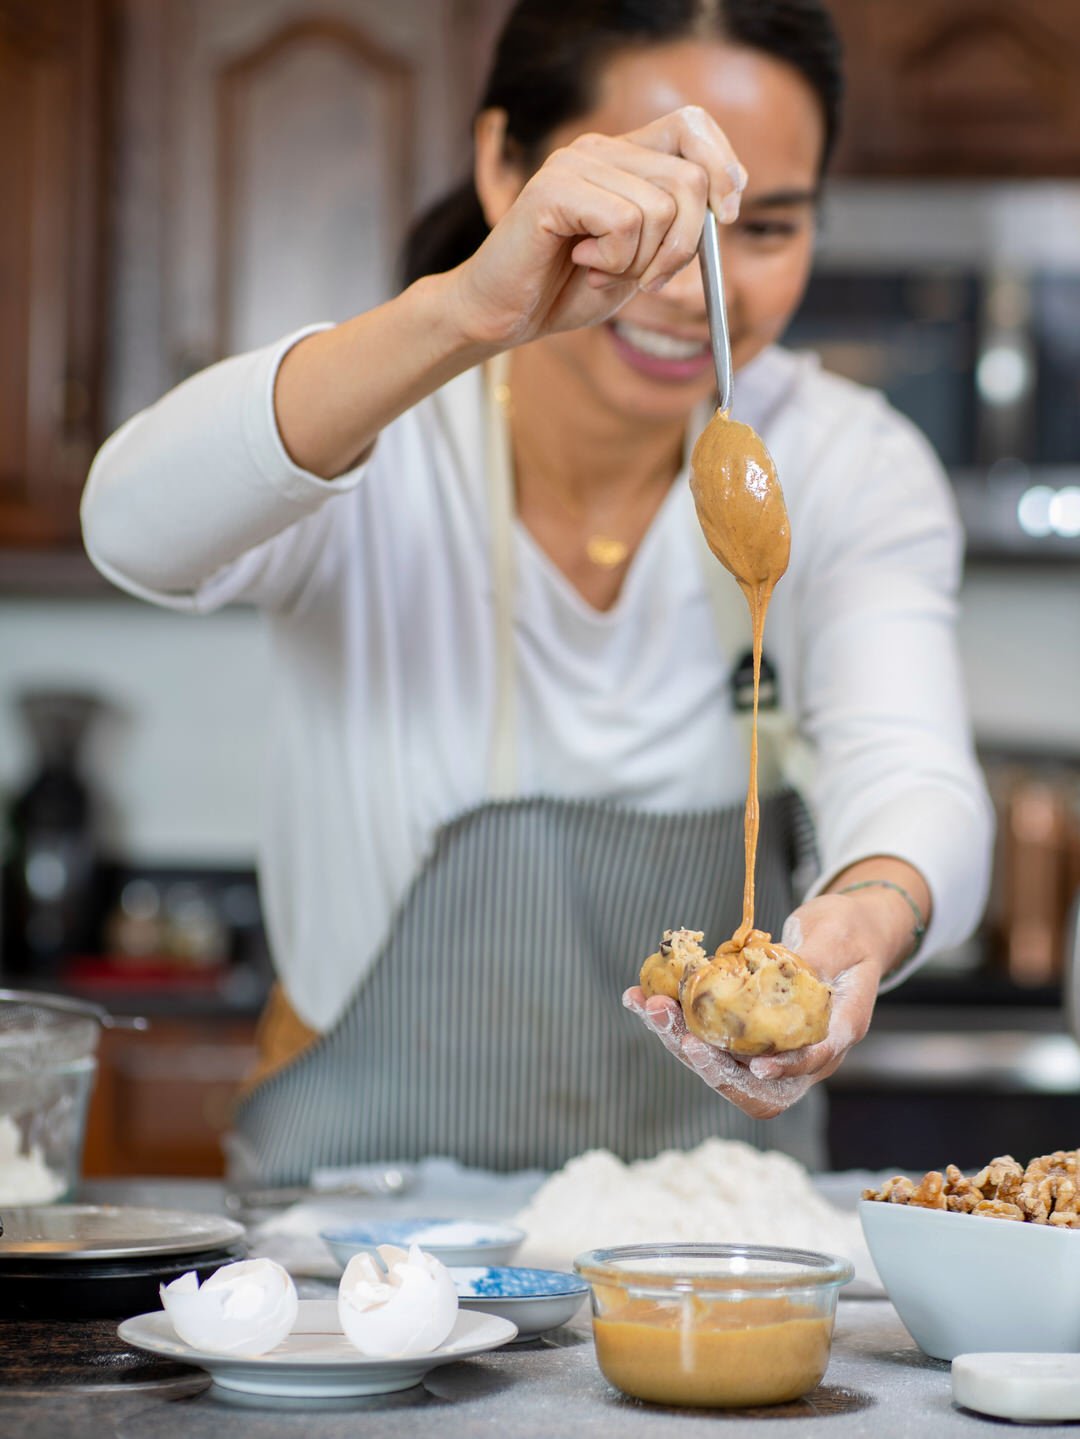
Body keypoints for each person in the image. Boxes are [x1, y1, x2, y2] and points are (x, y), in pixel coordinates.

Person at [81, 0, 993, 1183]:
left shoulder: (844, 462)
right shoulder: (387, 430)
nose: (696, 288)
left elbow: (919, 782)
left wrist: (857, 924)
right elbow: (132, 528)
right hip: (365, 1250)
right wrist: (465, 311)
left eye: (763, 228)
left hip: (698, 1240)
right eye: (655, 212)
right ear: (507, 162)